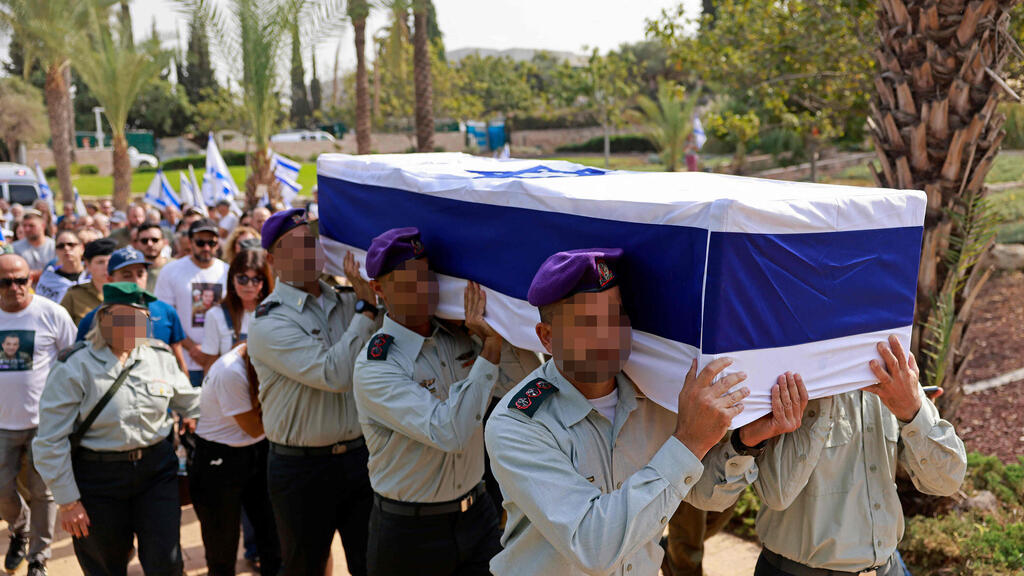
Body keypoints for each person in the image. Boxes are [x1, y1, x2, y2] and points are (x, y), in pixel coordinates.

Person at [484, 248, 799, 576]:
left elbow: (703, 495)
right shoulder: (518, 424)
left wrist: (746, 442)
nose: (607, 335)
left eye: (615, 317)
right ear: (548, 338)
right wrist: (688, 442)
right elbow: (594, 548)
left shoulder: (655, 395)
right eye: (587, 324)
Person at [352, 228, 539, 576]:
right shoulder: (377, 365)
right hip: (409, 533)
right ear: (379, 288)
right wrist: (491, 351)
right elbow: (449, 432)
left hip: (478, 515)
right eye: (409, 281)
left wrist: (497, 331)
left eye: (428, 278)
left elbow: (526, 381)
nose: (424, 289)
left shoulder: (457, 338)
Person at [743, 337, 968, 576]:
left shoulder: (891, 369)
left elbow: (948, 480)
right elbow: (775, 495)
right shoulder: (786, 369)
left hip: (887, 569)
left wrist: (912, 411)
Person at [32, 282, 200, 576]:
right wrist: (68, 502)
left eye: (140, 319)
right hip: (98, 481)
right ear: (103, 318)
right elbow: (50, 440)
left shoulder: (159, 357)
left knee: (167, 561)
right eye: (123, 319)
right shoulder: (74, 366)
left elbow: (192, 403)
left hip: (156, 473)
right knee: (105, 566)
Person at [247, 208, 381, 576]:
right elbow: (334, 373)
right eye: (295, 247)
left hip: (359, 457)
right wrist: (367, 308)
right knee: (304, 566)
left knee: (371, 563)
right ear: (273, 261)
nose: (308, 253)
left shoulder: (345, 300)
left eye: (311, 243)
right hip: (301, 469)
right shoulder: (270, 322)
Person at [0, 253, 77, 576]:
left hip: (43, 423)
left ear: (31, 279)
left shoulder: (51, 313)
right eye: (6, 282)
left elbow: (73, 358)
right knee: (2, 489)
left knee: (43, 492)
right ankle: (19, 528)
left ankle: (38, 558)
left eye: (22, 280)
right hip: (1, 424)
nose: (15, 287)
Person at [191, 343, 281, 576]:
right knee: (222, 547)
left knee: (274, 539)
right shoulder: (231, 371)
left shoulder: (262, 358)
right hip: (218, 460)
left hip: (258, 451)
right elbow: (254, 427)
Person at [75, 247, 189, 372]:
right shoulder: (93, 319)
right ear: (110, 279)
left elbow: (179, 361)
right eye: (127, 275)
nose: (135, 281)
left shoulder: (166, 311)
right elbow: (80, 364)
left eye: (140, 274)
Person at [154, 218, 229, 387]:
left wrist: (211, 352)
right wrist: (192, 348)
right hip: (183, 360)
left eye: (212, 243)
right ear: (190, 242)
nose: (206, 248)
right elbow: (165, 316)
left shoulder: (227, 272)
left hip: (219, 360)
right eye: (201, 242)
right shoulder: (171, 271)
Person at [199, 249, 273, 371]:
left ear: (264, 282)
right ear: (232, 279)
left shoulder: (276, 314)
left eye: (256, 279)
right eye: (243, 279)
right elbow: (210, 365)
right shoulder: (216, 315)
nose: (249, 285)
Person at [60, 239, 116, 326]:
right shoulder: (74, 296)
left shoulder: (127, 294)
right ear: (87, 265)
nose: (106, 267)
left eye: (110, 262)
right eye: (100, 262)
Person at [35, 231, 87, 304]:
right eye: (60, 246)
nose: (66, 248)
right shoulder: (47, 279)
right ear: (56, 251)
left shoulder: (92, 275)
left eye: (71, 244)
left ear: (82, 248)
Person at [11, 209, 54, 279]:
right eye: (24, 226)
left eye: (31, 226)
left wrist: (32, 274)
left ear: (43, 226)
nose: (27, 229)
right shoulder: (14, 247)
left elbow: (58, 269)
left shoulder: (55, 246)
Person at [132, 223, 168, 292]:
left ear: (164, 242)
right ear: (136, 244)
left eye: (155, 240)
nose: (150, 244)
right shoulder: (131, 271)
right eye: (144, 241)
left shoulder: (176, 266)